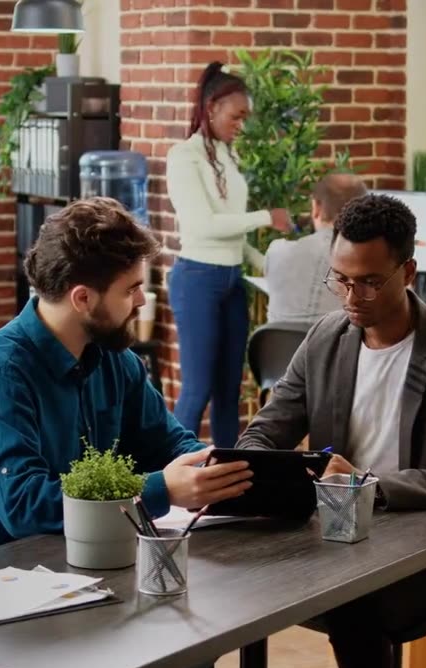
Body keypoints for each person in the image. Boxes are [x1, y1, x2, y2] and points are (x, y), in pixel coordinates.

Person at [0, 197, 254, 668]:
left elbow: (167, 441)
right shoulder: (0, 371)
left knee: (192, 632)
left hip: (76, 553)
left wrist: (215, 467)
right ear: (82, 297)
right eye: (131, 290)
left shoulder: (113, 358)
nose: (142, 301)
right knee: (165, 644)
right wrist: (162, 488)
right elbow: (26, 506)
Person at [236, 193, 426, 668]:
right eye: (340, 278)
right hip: (338, 537)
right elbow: (264, 434)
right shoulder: (325, 340)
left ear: (408, 271)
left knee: (351, 598)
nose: (350, 295)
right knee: (247, 575)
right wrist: (264, 474)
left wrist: (370, 485)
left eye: (368, 281)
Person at [165, 60, 293, 448]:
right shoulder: (183, 157)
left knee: (228, 391)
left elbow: (233, 233)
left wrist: (270, 264)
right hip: (197, 281)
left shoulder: (227, 155)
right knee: (198, 388)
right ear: (211, 107)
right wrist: (266, 217)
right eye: (236, 116)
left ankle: (229, 475)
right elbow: (204, 226)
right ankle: (170, 471)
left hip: (231, 280)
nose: (241, 125)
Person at [263, 171, 367, 324]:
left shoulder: (276, 252)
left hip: (280, 348)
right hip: (338, 347)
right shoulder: (371, 264)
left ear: (316, 207)